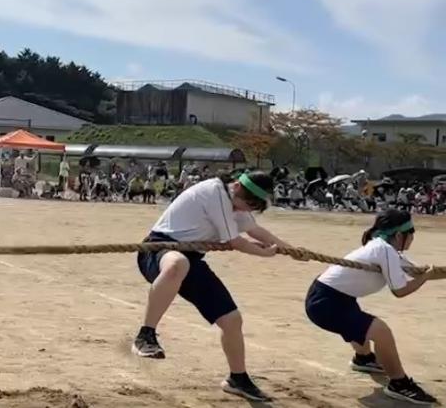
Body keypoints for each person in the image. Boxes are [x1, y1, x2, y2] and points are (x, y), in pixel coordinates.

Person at [133, 171, 292, 402]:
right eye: (246, 204)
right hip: (159, 250)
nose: (243, 210)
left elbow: (254, 230)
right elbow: (235, 241)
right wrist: (265, 254)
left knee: (232, 320)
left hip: (192, 258)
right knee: (177, 264)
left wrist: (289, 249)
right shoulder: (215, 192)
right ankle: (145, 335)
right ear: (237, 187)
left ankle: (238, 378)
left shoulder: (236, 204)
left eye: (251, 207)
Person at [304, 209, 438, 405]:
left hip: (334, 298)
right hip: (326, 303)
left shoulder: (385, 249)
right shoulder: (385, 250)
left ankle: (364, 358)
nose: (413, 237)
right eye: (411, 232)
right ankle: (399, 383)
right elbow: (400, 291)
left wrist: (427, 274)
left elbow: (418, 272)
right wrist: (425, 277)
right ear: (399, 235)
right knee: (381, 332)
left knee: (361, 324)